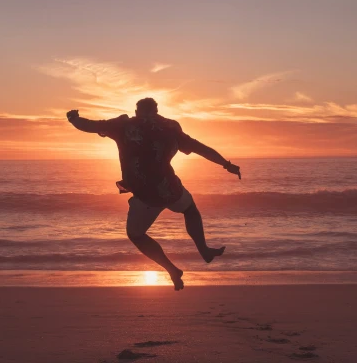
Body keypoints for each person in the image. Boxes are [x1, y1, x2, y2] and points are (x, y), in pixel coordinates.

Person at [66, 97, 241, 290]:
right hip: (170, 188)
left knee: (136, 235)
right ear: (156, 110)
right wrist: (226, 164)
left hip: (144, 195)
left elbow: (89, 126)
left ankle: (171, 269)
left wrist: (73, 118)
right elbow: (200, 148)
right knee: (190, 210)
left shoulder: (124, 125)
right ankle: (204, 250)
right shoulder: (170, 128)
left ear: (137, 110)